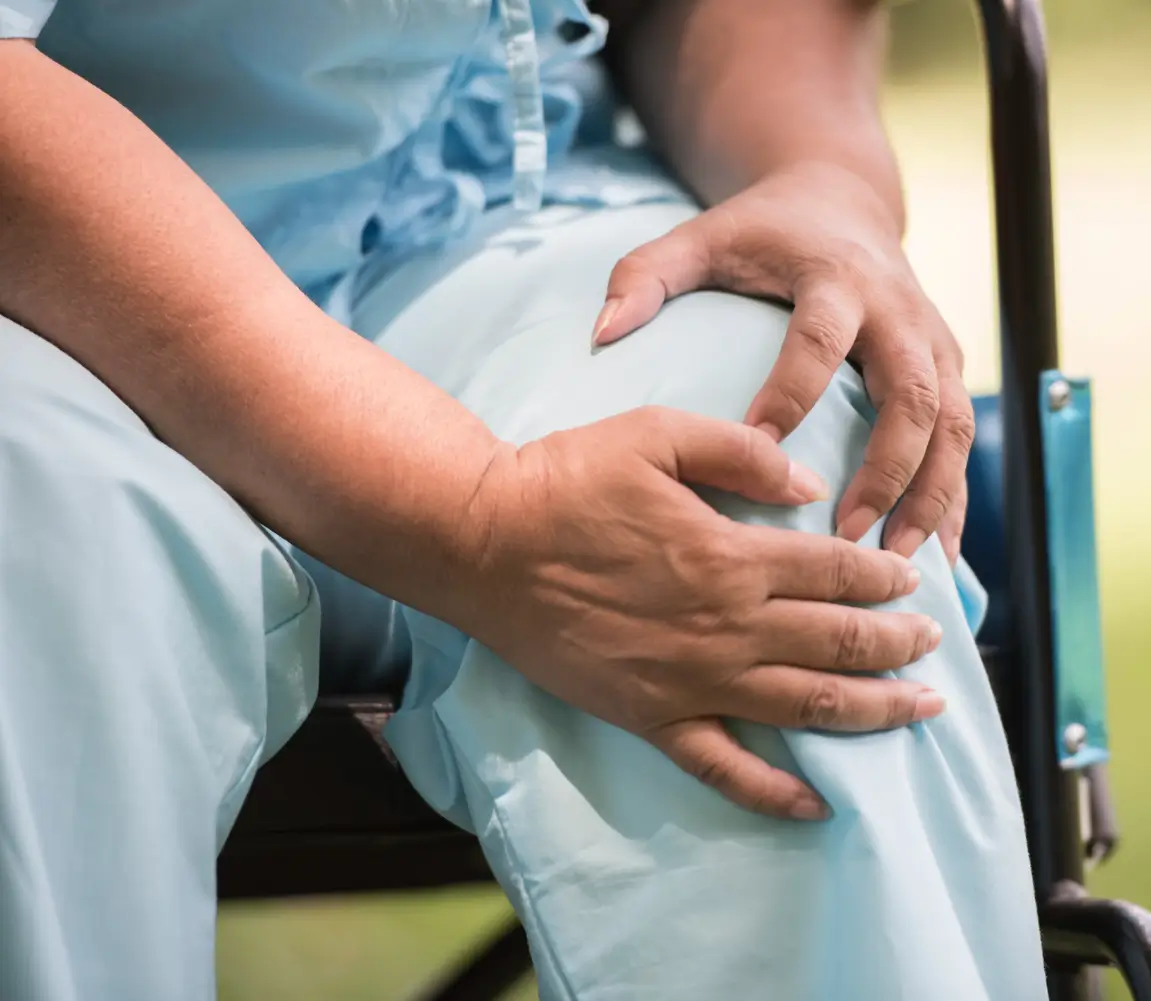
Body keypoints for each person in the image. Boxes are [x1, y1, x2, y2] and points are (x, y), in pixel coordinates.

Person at [0, 1, 1046, 998]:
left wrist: (822, 174)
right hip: (62, 285)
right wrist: (476, 513)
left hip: (512, 207)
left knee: (765, 474)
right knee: (30, 552)